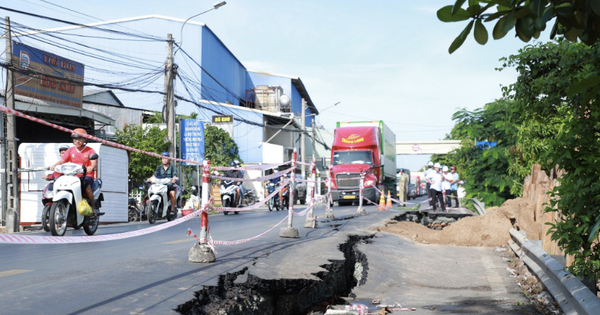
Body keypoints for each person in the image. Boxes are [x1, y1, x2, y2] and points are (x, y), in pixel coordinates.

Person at [49, 129, 98, 215]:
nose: (77, 141)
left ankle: (93, 207)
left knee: (87, 188)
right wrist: (55, 165)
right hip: (72, 175)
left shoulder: (90, 150)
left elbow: (94, 162)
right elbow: (62, 160)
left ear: (85, 139)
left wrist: (91, 167)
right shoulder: (70, 150)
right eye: (75, 139)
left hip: (86, 175)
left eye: (79, 138)